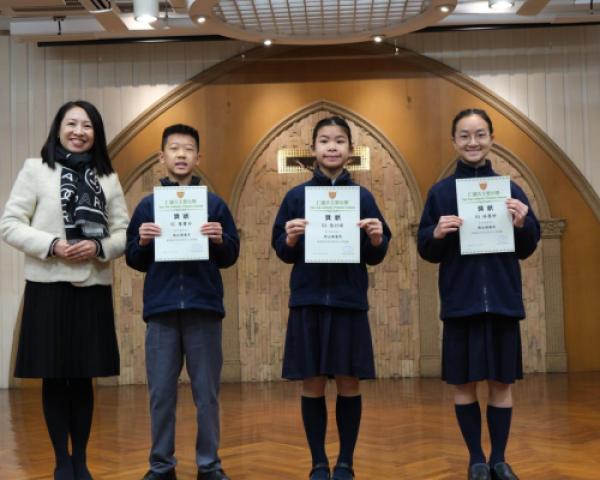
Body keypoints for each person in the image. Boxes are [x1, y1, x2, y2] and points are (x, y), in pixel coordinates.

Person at [0, 100, 128, 480]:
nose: (78, 132)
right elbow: (9, 224)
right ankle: (61, 461)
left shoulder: (108, 178)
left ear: (96, 133)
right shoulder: (35, 169)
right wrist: (52, 244)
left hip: (92, 287)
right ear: (58, 129)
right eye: (71, 124)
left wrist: (100, 247)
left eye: (87, 125)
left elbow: (123, 232)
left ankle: (82, 460)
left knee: (84, 377)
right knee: (54, 377)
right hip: (48, 287)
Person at [417, 108, 540, 480]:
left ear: (492, 139)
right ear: (454, 141)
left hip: (502, 301)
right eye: (465, 135)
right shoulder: (440, 193)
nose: (473, 142)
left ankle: (499, 458)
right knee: (464, 385)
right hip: (461, 303)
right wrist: (436, 233)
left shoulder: (510, 189)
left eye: (481, 134)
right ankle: (476, 459)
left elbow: (527, 246)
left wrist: (523, 223)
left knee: (501, 384)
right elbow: (426, 248)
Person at [271, 116, 391, 480]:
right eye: (324, 140)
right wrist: (290, 238)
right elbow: (281, 250)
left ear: (350, 150)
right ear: (313, 149)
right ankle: (319, 463)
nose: (332, 147)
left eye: (339, 141)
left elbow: (377, 253)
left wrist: (376, 238)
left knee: (348, 381)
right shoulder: (296, 197)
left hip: (348, 301)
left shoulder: (363, 197)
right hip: (308, 300)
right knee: (312, 382)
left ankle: (346, 462)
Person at [125, 124, 239, 480]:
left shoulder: (214, 205)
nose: (181, 154)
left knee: (207, 395)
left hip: (204, 309)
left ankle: (209, 465)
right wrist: (142, 241)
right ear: (162, 157)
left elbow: (231, 255)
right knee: (161, 394)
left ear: (198, 157)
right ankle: (161, 466)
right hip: (161, 311)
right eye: (174, 148)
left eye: (188, 149)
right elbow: (133, 258)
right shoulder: (148, 207)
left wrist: (220, 239)